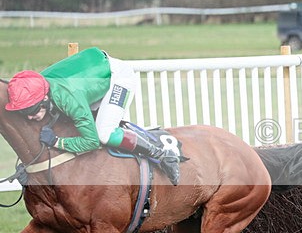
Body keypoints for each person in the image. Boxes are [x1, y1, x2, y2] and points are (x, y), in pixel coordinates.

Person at [4, 47, 180, 185]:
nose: (29, 117)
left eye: (31, 111)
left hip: (117, 78)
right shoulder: (37, 86)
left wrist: (57, 142)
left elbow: (92, 141)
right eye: (23, 112)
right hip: (88, 78)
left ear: (44, 98)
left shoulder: (69, 100)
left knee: (104, 133)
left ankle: (161, 155)